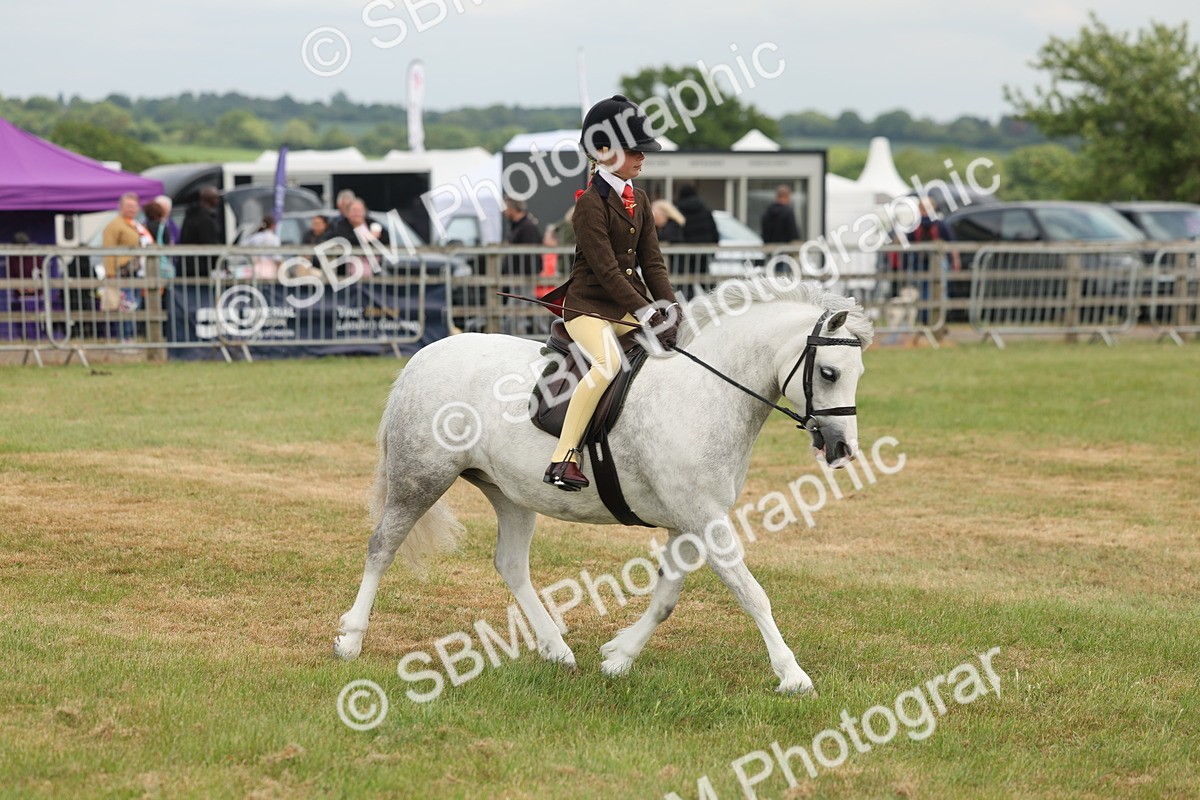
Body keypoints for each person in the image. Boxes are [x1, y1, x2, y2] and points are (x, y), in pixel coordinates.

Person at [541, 95, 680, 491]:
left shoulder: (641, 199)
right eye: (634, 150)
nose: (642, 157)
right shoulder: (589, 205)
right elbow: (605, 271)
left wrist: (669, 305)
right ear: (603, 151)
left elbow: (652, 263)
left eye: (642, 150)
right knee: (606, 365)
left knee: (674, 350)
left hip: (625, 307)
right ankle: (563, 458)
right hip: (589, 308)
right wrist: (644, 310)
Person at [101, 193, 152, 342]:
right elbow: (108, 250)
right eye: (128, 206)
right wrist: (110, 273)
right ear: (121, 207)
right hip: (122, 272)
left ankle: (132, 336)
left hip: (136, 272)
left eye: (134, 206)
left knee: (134, 305)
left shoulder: (135, 224)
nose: (131, 209)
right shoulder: (115, 225)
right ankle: (125, 337)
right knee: (125, 305)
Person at [328, 199, 390, 278]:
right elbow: (346, 240)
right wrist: (369, 238)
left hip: (372, 274)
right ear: (347, 213)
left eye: (359, 210)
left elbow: (386, 239)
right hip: (347, 276)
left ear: (364, 211)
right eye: (354, 210)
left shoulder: (372, 223)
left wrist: (370, 239)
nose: (356, 213)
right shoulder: (341, 225)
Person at [675, 183, 719, 277]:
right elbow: (714, 232)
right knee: (706, 282)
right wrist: (713, 250)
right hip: (703, 252)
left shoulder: (678, 212)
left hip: (685, 253)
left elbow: (675, 232)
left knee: (686, 283)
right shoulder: (705, 210)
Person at [179, 186, 222, 278]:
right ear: (212, 199)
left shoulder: (191, 215)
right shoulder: (205, 219)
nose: (218, 201)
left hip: (189, 264)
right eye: (217, 197)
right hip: (201, 266)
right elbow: (209, 242)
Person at [501, 197, 542, 277]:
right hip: (515, 278)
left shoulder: (528, 227)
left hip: (523, 280)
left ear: (512, 209)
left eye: (505, 208)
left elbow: (529, 256)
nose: (503, 211)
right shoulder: (516, 226)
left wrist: (519, 277)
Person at [652, 199, 687, 278]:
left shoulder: (674, 226)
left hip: (675, 266)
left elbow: (665, 239)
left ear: (663, 214)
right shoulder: (657, 228)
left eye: (655, 213)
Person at [142, 200, 175, 281]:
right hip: (160, 263)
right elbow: (167, 244)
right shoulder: (163, 227)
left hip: (146, 263)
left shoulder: (143, 227)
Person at [243, 214, 282, 280]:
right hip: (269, 271)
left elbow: (242, 245)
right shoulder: (274, 238)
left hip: (254, 269)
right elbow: (277, 258)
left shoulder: (255, 237)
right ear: (273, 225)